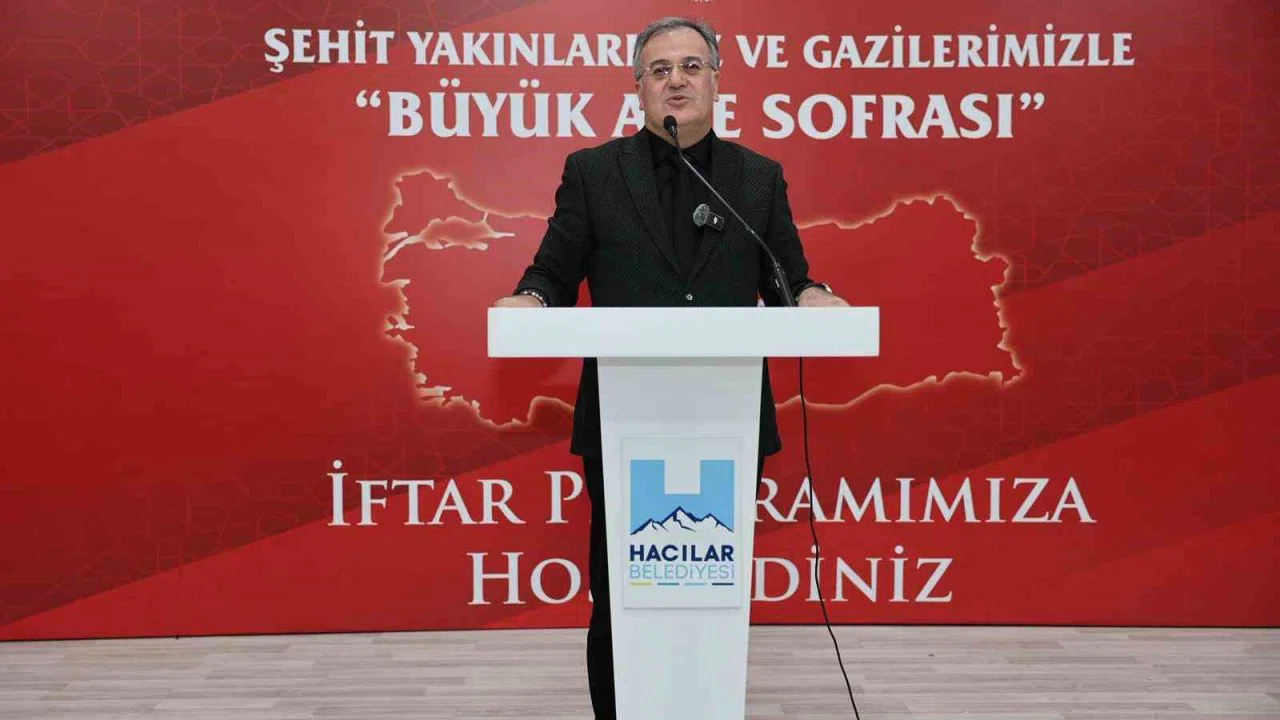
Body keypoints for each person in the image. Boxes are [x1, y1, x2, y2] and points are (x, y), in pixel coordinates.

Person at [492, 16, 848, 719]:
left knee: (707, 586)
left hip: (725, 424)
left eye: (690, 66)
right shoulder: (594, 173)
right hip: (625, 424)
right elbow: (553, 270)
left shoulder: (757, 178)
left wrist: (811, 295)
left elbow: (787, 278)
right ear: (639, 89)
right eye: (659, 70)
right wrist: (530, 298)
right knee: (621, 590)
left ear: (716, 81)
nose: (676, 81)